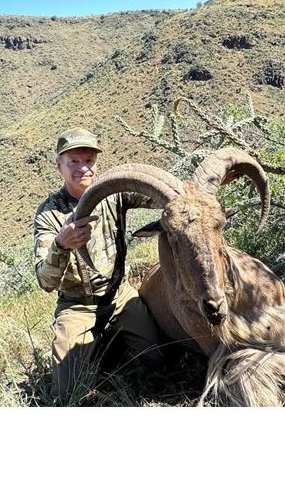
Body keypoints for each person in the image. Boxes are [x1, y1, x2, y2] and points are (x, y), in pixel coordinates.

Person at [33, 127, 165, 405]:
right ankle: (92, 342)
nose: (83, 168)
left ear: (96, 162)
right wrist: (61, 244)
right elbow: (45, 282)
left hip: (120, 296)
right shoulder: (49, 214)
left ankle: (105, 342)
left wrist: (193, 190)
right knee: (67, 393)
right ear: (59, 165)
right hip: (77, 306)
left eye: (89, 160)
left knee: (158, 359)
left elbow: (156, 196)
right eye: (74, 161)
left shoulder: (113, 193)